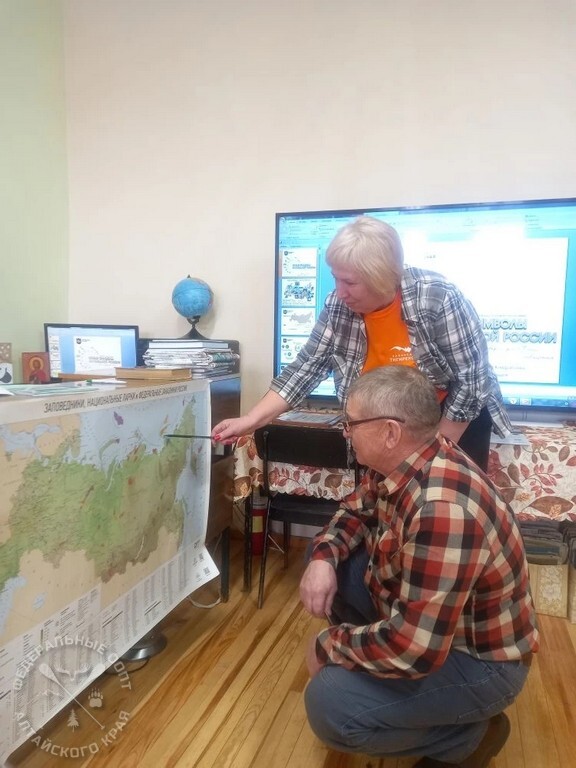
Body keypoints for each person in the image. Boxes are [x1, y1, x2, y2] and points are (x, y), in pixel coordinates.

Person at [299, 365, 538, 767]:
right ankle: (387, 682)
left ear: (390, 432)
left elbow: (415, 650)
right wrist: (323, 558)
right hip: (434, 631)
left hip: (479, 662)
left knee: (330, 705)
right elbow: (353, 512)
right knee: (325, 559)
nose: (345, 432)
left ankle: (466, 738)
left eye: (350, 423)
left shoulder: (442, 510)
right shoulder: (411, 458)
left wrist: (330, 645)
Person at [212, 215, 512, 470]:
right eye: (336, 278)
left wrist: (438, 453)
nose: (339, 291)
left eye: (350, 282)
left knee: (441, 505)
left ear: (381, 277)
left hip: (453, 417)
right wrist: (250, 419)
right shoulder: (338, 305)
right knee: (384, 510)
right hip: (383, 425)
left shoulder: (436, 297)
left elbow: (472, 381)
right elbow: (306, 368)